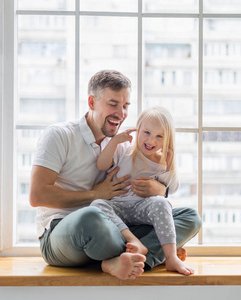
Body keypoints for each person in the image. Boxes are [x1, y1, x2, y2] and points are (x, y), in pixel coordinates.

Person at [29, 70, 201, 280]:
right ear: (92, 102)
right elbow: (37, 196)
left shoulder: (124, 144)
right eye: (113, 104)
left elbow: (151, 181)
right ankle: (147, 256)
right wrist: (95, 195)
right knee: (91, 215)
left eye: (125, 106)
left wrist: (161, 190)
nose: (121, 113)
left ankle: (126, 259)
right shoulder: (60, 135)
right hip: (66, 230)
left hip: (116, 225)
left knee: (189, 217)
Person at [92, 106, 194, 276]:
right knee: (97, 204)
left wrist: (168, 165)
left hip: (142, 211)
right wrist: (115, 141)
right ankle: (134, 242)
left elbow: (173, 188)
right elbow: (101, 165)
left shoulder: (161, 162)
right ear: (137, 129)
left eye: (159, 136)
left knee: (163, 203)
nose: (151, 141)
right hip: (118, 209)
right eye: (146, 133)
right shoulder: (124, 150)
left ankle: (170, 257)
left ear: (167, 139)